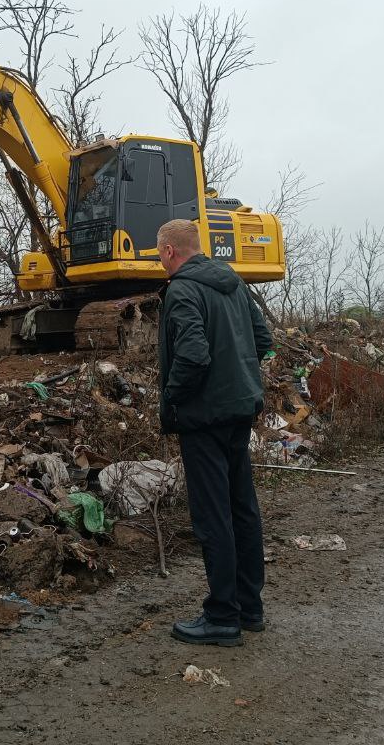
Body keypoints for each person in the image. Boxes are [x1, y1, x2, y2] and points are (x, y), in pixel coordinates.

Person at [155, 218, 273, 647]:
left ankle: (222, 616)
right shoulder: (234, 282)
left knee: (212, 516)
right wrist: (235, 373)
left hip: (203, 417)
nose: (159, 259)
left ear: (169, 251)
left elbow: (192, 354)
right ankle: (250, 608)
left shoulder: (182, 289)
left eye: (158, 253)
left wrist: (172, 397)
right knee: (242, 508)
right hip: (239, 411)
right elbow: (262, 339)